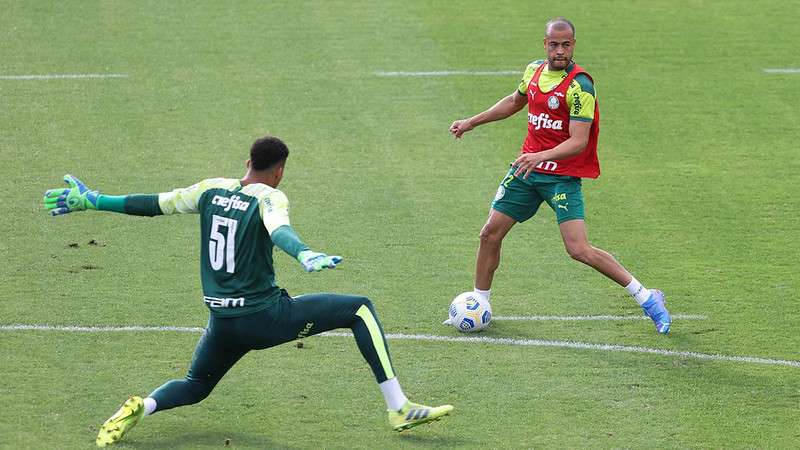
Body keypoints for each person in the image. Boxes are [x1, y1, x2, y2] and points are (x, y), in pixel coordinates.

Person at [43, 136, 453, 447]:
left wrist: (94, 200)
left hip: (222, 321)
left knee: (195, 385)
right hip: (264, 319)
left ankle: (143, 406)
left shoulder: (210, 189)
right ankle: (398, 407)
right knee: (359, 309)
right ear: (279, 171)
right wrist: (305, 253)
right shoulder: (270, 196)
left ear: (247, 163)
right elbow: (280, 231)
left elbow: (154, 203)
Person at [448, 17, 671, 334]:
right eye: (554, 45)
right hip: (526, 171)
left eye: (566, 45)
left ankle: (648, 298)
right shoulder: (534, 71)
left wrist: (540, 156)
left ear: (573, 45)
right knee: (489, 234)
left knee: (578, 249)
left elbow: (578, 141)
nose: (560, 51)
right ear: (545, 44)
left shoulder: (581, 86)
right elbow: (514, 102)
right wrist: (472, 121)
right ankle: (480, 302)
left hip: (561, 177)